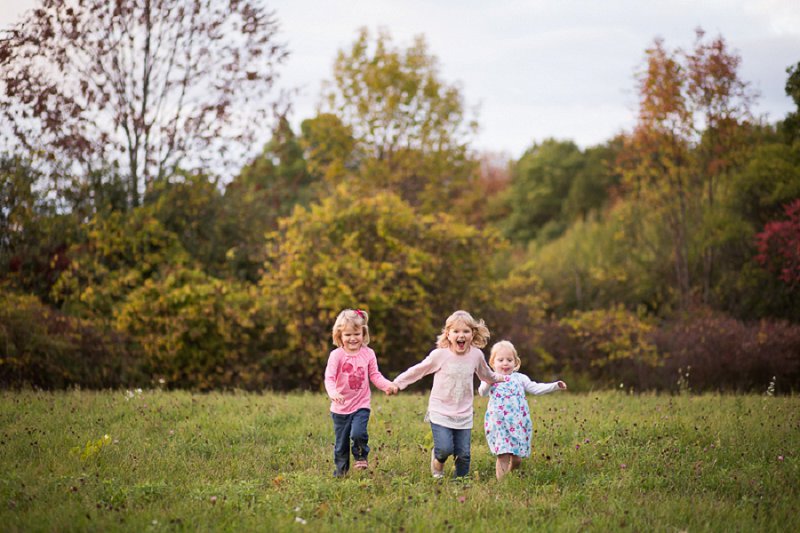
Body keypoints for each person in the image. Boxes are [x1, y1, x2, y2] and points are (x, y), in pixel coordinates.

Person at [393, 310, 508, 479]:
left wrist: (500, 378)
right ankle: (437, 462)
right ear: (448, 334)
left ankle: (460, 483)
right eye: (456, 331)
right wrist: (397, 383)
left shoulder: (476, 355)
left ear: (473, 334)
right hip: (440, 411)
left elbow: (486, 375)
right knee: (444, 449)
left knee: (463, 454)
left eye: (466, 331)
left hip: (464, 412)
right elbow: (419, 370)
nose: (461, 335)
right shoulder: (440, 355)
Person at [478, 340, 567, 480]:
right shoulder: (490, 378)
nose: (505, 363)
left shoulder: (520, 378)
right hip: (499, 423)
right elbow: (482, 393)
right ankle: (502, 485)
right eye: (500, 360)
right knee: (503, 455)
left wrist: (555, 386)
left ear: (516, 362)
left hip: (517, 423)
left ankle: (510, 475)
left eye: (509, 359)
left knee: (517, 459)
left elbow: (536, 388)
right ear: (492, 362)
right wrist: (489, 382)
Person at [324, 309, 398, 477]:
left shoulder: (368, 353)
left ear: (363, 333)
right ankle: (341, 473)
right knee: (340, 445)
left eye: (356, 333)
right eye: (348, 334)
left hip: (360, 404)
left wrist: (387, 385)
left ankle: (361, 456)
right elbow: (329, 377)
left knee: (358, 433)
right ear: (339, 336)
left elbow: (374, 375)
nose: (352, 338)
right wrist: (333, 391)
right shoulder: (336, 355)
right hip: (340, 409)